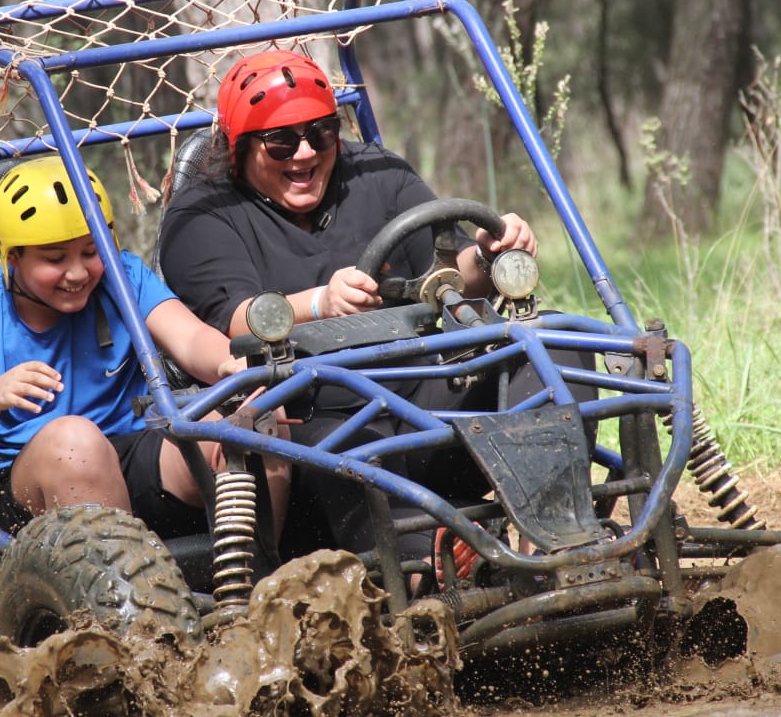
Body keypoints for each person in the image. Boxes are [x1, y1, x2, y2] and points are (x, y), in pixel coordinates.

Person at [156, 49, 589, 560]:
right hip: (313, 421)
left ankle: (564, 538)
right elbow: (233, 322)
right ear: (239, 149)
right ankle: (427, 566)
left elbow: (450, 273)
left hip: (427, 401)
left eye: (320, 133)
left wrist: (491, 254)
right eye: (280, 142)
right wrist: (321, 302)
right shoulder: (203, 215)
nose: (303, 154)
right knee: (333, 439)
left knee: (555, 345)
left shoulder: (376, 173)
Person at [0, 156, 289, 543]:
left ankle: (262, 586)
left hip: (134, 448)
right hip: (26, 484)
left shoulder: (120, 277)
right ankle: (132, 601)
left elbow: (191, 338)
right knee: (76, 443)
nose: (78, 273)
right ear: (12, 258)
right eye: (55, 258)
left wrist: (231, 367)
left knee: (252, 423)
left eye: (90, 251)